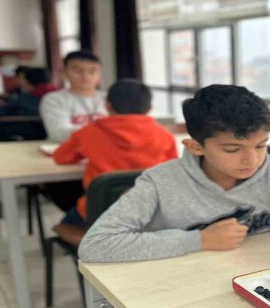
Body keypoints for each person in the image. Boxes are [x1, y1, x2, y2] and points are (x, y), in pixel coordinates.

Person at [78, 85, 270, 266]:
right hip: (186, 286)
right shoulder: (159, 183)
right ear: (196, 147)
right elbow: (95, 245)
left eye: (261, 146)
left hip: (261, 274)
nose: (252, 160)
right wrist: (198, 240)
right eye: (232, 149)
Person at [52, 79, 178, 245]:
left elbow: (61, 157)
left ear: (107, 105)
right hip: (149, 216)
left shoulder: (88, 132)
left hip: (99, 215)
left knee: (67, 221)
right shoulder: (165, 136)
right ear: (149, 109)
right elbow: (172, 172)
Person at [40, 50, 107, 143]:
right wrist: (106, 133)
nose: (85, 76)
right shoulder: (54, 99)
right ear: (63, 73)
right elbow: (59, 133)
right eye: (78, 71)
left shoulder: (110, 98)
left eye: (92, 71)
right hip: (67, 149)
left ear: (99, 75)